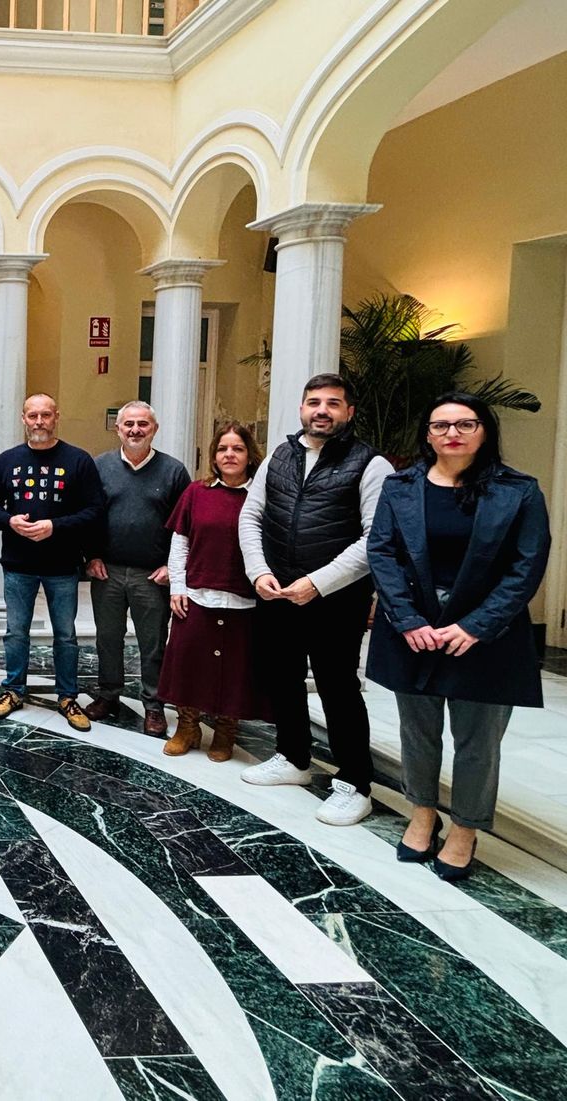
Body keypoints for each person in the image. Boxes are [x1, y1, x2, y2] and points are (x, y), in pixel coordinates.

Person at [366, 392, 550, 880]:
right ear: (427, 435)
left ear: (484, 432)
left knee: (478, 742)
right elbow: (382, 551)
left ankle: (466, 827)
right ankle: (422, 812)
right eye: (441, 425)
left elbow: (527, 565)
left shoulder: (519, 491)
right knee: (418, 731)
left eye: (465, 424)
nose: (452, 433)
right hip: (416, 629)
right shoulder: (401, 486)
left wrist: (476, 625)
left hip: (487, 634)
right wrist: (407, 620)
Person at [238, 373, 395, 826]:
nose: (321, 410)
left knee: (337, 688)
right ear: (302, 408)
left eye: (332, 402)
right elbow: (251, 515)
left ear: (349, 411)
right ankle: (293, 757)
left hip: (335, 599)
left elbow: (374, 538)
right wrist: (258, 571)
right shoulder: (279, 456)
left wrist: (318, 583)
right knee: (282, 677)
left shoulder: (371, 464)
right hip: (277, 591)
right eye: (313, 402)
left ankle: (355, 784)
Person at [0, 393, 106, 728]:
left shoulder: (78, 460)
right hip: (18, 564)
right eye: (33, 415)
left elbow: (95, 510)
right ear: (23, 418)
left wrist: (55, 526)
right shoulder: (7, 460)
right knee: (16, 632)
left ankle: (67, 696)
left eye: (46, 415)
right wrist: (9, 521)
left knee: (65, 635)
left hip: (63, 565)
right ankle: (13, 690)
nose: (39, 422)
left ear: (56, 417)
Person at [158, 422, 270, 760]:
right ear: (213, 456)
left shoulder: (262, 497)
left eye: (237, 449)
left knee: (234, 670)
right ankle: (187, 727)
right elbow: (180, 543)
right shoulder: (197, 492)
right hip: (197, 595)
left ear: (250, 455)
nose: (229, 455)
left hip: (244, 598)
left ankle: (225, 732)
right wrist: (178, 587)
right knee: (189, 663)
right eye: (223, 449)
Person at [84, 401, 190, 734]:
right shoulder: (99, 467)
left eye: (142, 424)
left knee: (154, 642)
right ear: (118, 429)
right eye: (128, 424)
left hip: (153, 575)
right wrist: (91, 556)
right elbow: (88, 516)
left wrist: (171, 566)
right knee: (108, 638)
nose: (135, 430)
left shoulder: (173, 471)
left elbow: (185, 526)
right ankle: (108, 694)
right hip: (108, 571)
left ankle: (154, 705)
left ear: (154, 429)